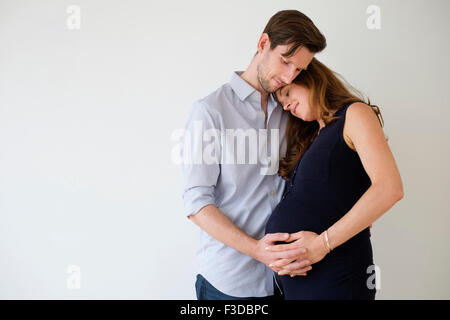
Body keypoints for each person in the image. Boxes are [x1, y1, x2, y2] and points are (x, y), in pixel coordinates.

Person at [181, 10, 326, 299]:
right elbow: (196, 203)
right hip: (230, 284)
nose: (288, 76)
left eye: (298, 70)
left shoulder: (292, 109)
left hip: (285, 281)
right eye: (285, 61)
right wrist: (257, 251)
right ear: (263, 44)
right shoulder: (210, 111)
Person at [264, 57, 404, 299]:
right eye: (281, 101)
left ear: (309, 77)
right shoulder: (312, 136)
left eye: (287, 93)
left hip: (337, 274)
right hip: (301, 283)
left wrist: (320, 245)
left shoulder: (355, 114)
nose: (285, 105)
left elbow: (389, 188)